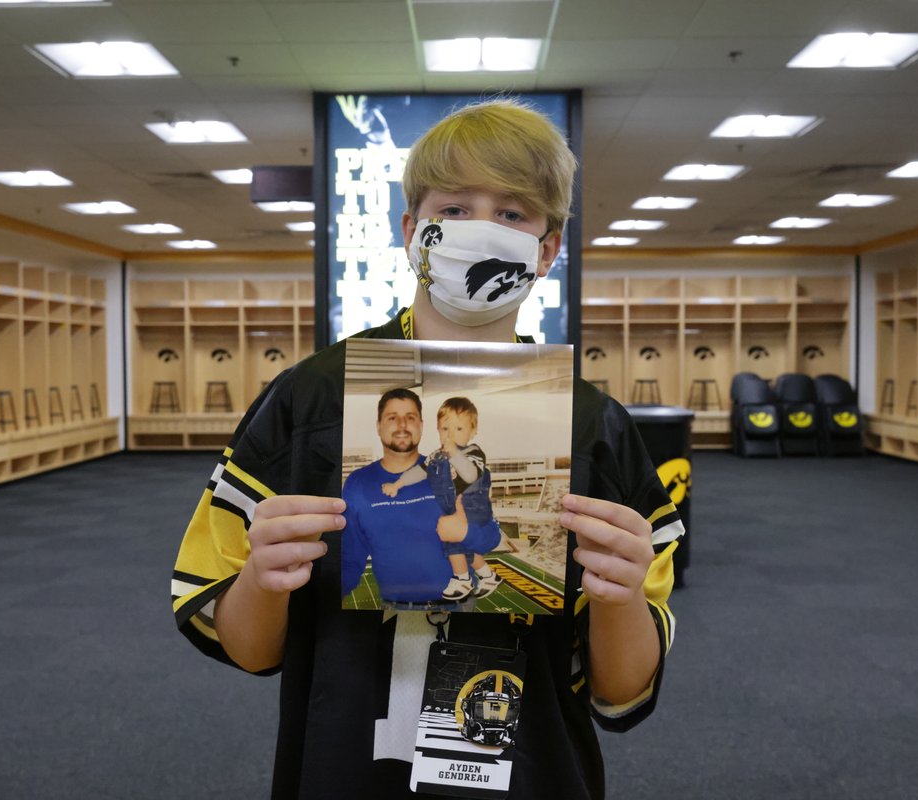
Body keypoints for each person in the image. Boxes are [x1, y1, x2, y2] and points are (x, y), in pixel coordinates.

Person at [171, 98, 685, 800]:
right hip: (344, 768)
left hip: (532, 772)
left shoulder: (593, 428)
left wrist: (622, 595)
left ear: (548, 248)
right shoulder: (312, 401)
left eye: (512, 213)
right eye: (456, 206)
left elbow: (620, 692)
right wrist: (263, 577)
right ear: (412, 230)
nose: (482, 229)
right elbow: (246, 647)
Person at [340, 388, 466, 606]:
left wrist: (468, 528)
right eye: (392, 418)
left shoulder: (450, 470)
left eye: (410, 417)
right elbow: (350, 558)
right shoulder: (358, 484)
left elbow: (486, 529)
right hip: (395, 608)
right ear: (379, 426)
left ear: (421, 426)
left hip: (460, 605)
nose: (402, 425)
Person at [382, 396, 503, 601]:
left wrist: (455, 454)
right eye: (445, 429)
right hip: (452, 512)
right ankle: (488, 576)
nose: (450, 435)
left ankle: (462, 579)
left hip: (476, 514)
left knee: (452, 541)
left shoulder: (473, 453)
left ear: (472, 431)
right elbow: (419, 472)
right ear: (437, 430)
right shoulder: (436, 456)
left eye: (459, 429)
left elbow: (470, 475)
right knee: (460, 547)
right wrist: (398, 484)